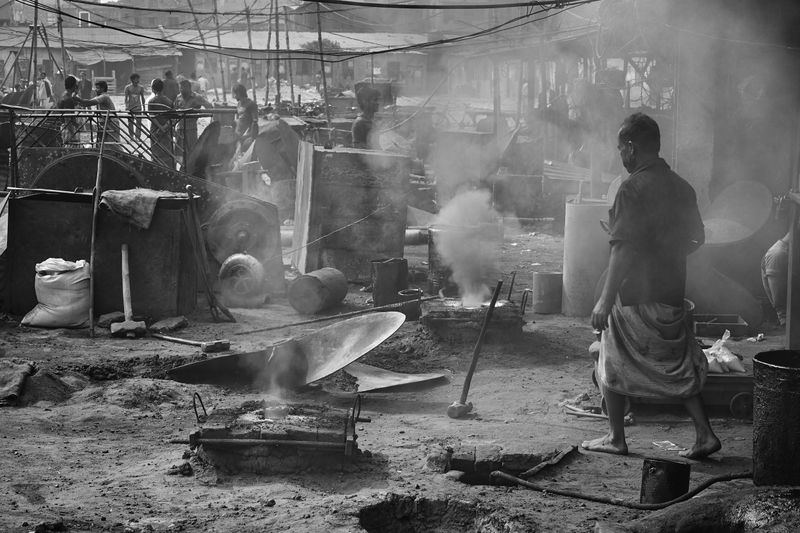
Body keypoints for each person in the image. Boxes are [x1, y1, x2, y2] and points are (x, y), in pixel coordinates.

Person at [584, 112, 721, 459]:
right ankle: (704, 434)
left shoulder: (632, 189)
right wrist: (666, 254)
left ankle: (616, 437)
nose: (621, 156)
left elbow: (623, 247)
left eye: (620, 149)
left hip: (634, 294)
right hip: (672, 290)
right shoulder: (682, 187)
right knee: (675, 362)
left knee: (611, 360)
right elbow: (698, 238)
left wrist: (605, 299)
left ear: (631, 147)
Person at [174, 78, 212, 157]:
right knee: (178, 153)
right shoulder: (178, 97)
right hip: (179, 129)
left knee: (192, 152)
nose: (180, 90)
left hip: (191, 129)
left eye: (182, 88)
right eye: (179, 88)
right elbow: (174, 111)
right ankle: (181, 168)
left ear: (188, 88)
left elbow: (209, 106)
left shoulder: (197, 97)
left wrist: (201, 114)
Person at [761, 231, 790, 327]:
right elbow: (778, 298)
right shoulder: (777, 254)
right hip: (788, 323)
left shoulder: (788, 251)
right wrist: (784, 319)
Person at [147, 78, 175, 167]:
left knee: (156, 153)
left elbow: (152, 117)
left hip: (155, 131)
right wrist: (165, 127)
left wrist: (160, 127)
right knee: (167, 152)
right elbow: (173, 118)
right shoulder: (169, 101)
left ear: (153, 89)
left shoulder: (151, 101)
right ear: (163, 88)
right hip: (167, 131)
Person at [57, 75, 79, 144]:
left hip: (65, 126)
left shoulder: (64, 95)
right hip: (68, 129)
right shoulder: (68, 99)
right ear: (74, 86)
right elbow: (67, 118)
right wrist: (73, 134)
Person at [124, 73, 146, 140]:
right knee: (130, 123)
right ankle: (131, 136)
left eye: (138, 79)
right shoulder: (127, 88)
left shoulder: (141, 88)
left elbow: (142, 98)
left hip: (138, 107)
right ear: (132, 80)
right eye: (135, 79)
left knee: (138, 123)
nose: (137, 81)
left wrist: (144, 107)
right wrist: (126, 106)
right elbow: (126, 98)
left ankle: (138, 136)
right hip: (130, 108)